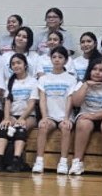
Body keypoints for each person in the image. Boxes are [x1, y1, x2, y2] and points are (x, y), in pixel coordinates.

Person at [69, 56, 102, 176]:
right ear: (89, 71)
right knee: (83, 123)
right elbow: (76, 102)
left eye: (101, 70)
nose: (97, 73)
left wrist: (94, 116)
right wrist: (86, 85)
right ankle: (77, 162)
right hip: (86, 114)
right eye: (94, 69)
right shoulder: (82, 84)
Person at [33, 46, 78, 174]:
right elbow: (42, 99)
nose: (57, 60)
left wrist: (66, 118)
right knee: (43, 127)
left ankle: (63, 161)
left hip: (65, 115)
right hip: (50, 116)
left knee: (65, 127)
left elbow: (70, 99)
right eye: (54, 57)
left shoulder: (71, 78)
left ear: (66, 60)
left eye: (60, 57)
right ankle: (39, 160)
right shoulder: (43, 78)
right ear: (50, 59)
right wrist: (44, 117)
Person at [0, 53, 39, 172]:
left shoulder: (33, 81)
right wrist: (7, 118)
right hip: (13, 114)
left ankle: (16, 160)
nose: (16, 66)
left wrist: (22, 118)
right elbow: (7, 102)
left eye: (18, 63)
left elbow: (32, 102)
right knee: (4, 127)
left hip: (28, 115)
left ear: (25, 65)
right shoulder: (9, 81)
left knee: (20, 128)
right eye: (13, 64)